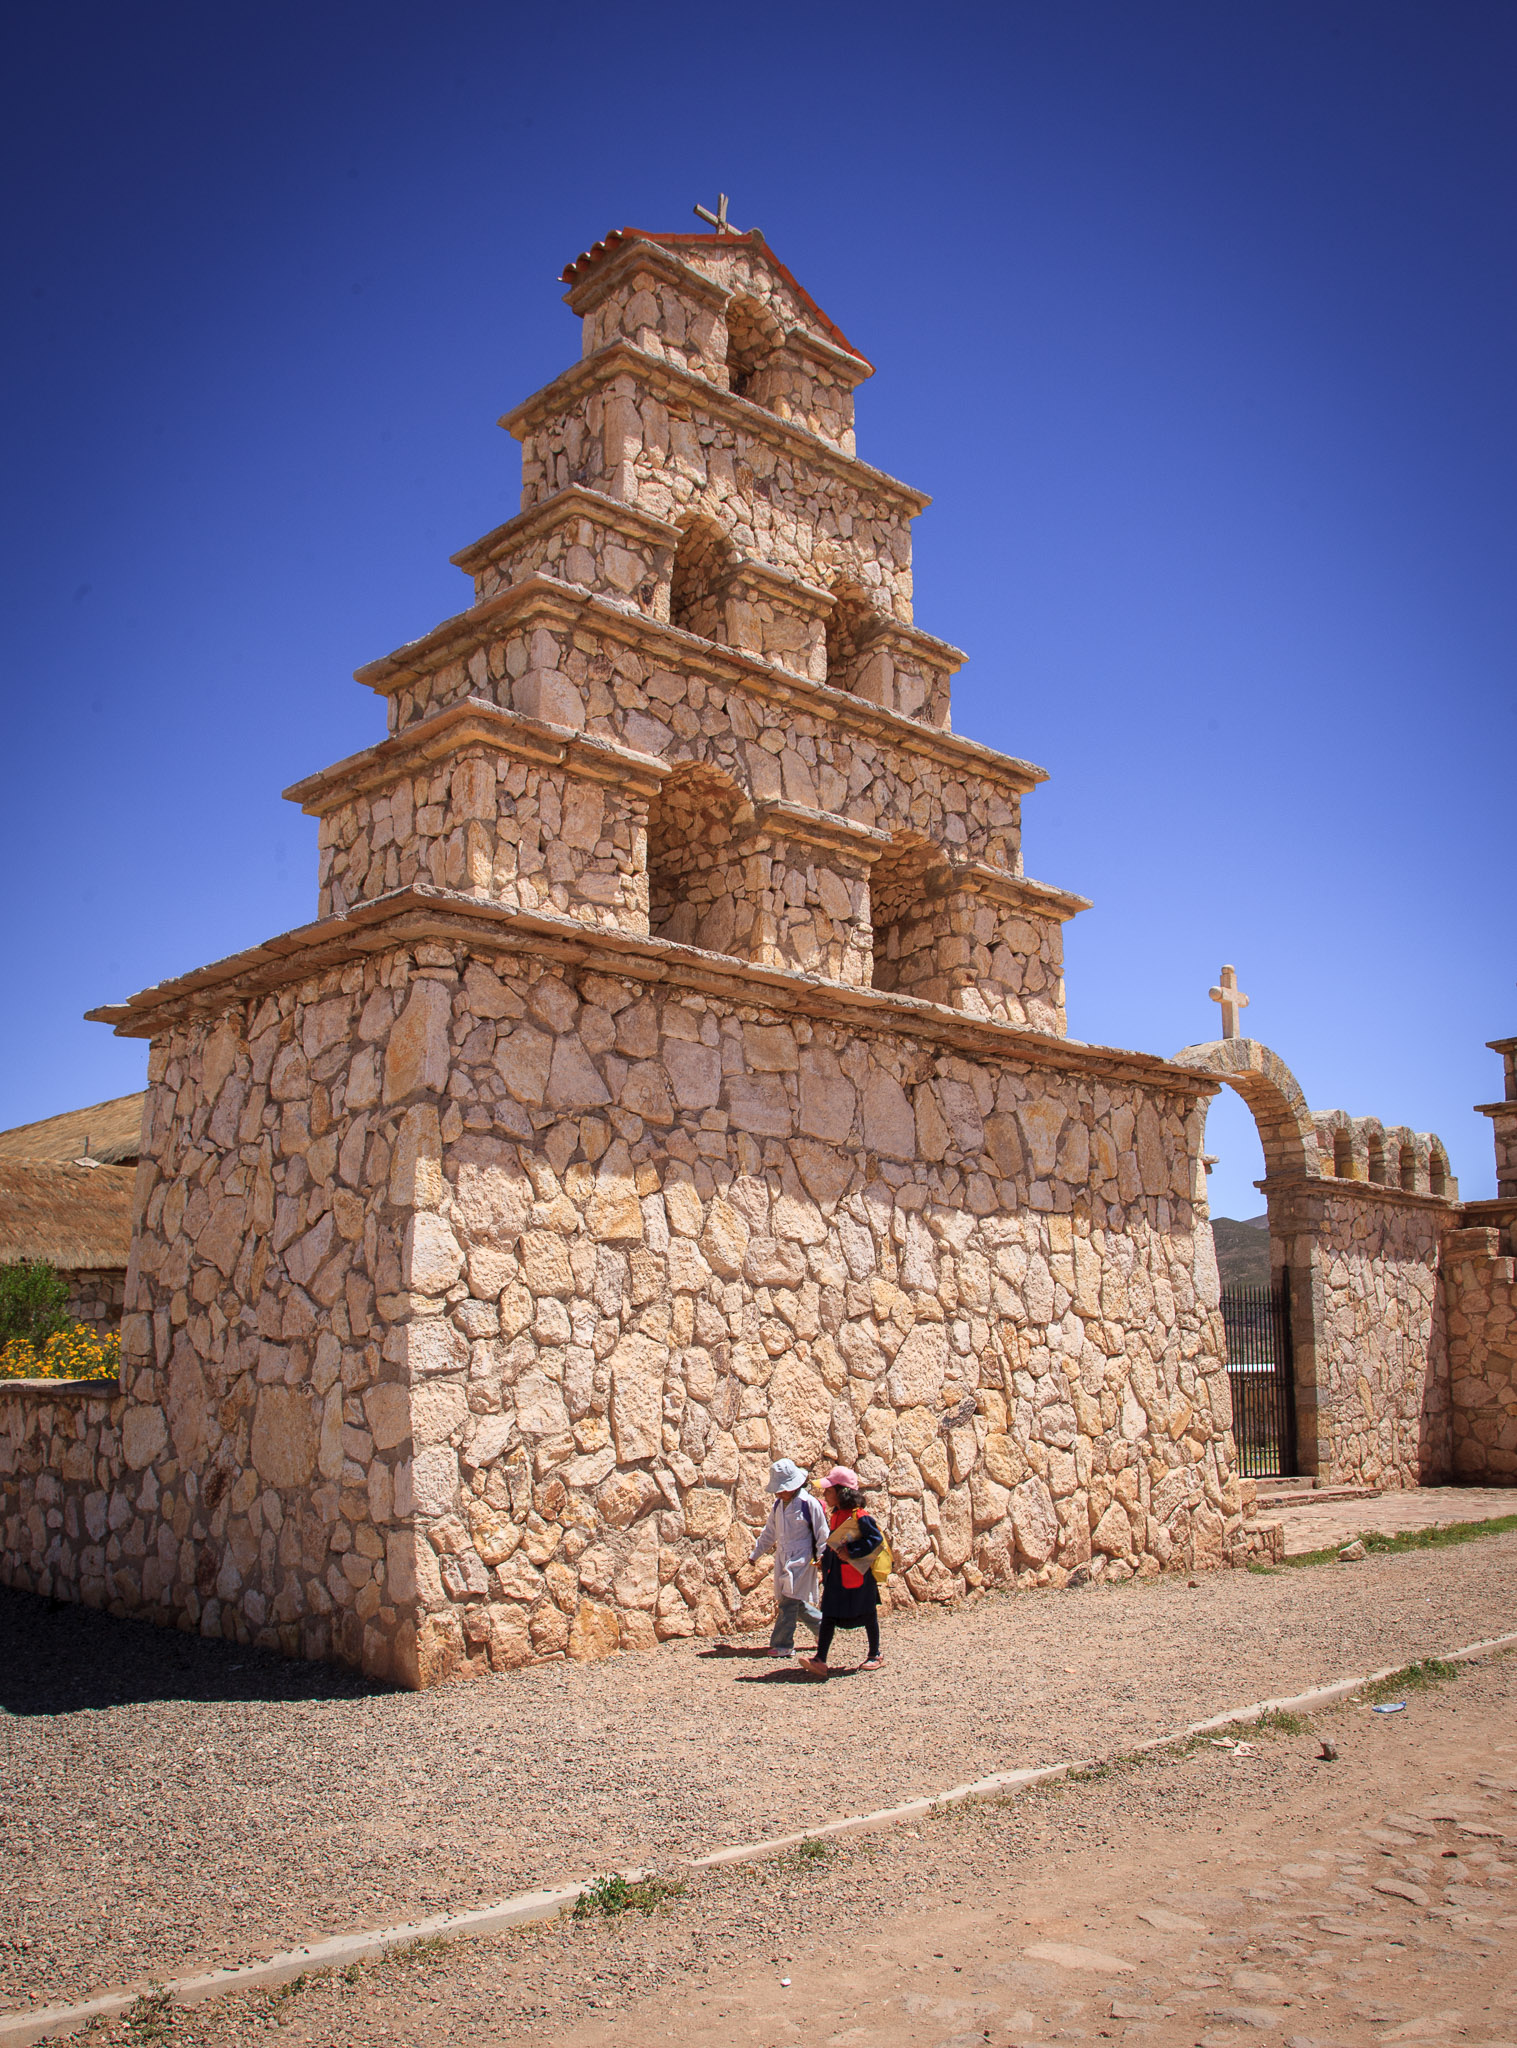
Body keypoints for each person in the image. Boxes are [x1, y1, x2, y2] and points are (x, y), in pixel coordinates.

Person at [800, 1466, 885, 1677]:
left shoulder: (860, 1516)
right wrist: (825, 1560)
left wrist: (852, 1552)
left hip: (858, 1576)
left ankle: (875, 1654)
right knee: (828, 1613)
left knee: (868, 1614)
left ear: (842, 1492)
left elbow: (875, 1540)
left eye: (829, 1490)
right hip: (838, 1576)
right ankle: (820, 1659)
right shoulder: (837, 1514)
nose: (825, 1494)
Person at [749, 1457, 828, 1658]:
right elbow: (770, 1532)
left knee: (788, 1601)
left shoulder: (809, 1504)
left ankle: (782, 1643)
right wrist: (755, 1554)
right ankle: (823, 1629)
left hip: (802, 1559)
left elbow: (821, 1532)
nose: (780, 1493)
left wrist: (823, 1556)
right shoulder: (778, 1507)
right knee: (793, 1600)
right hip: (784, 1558)